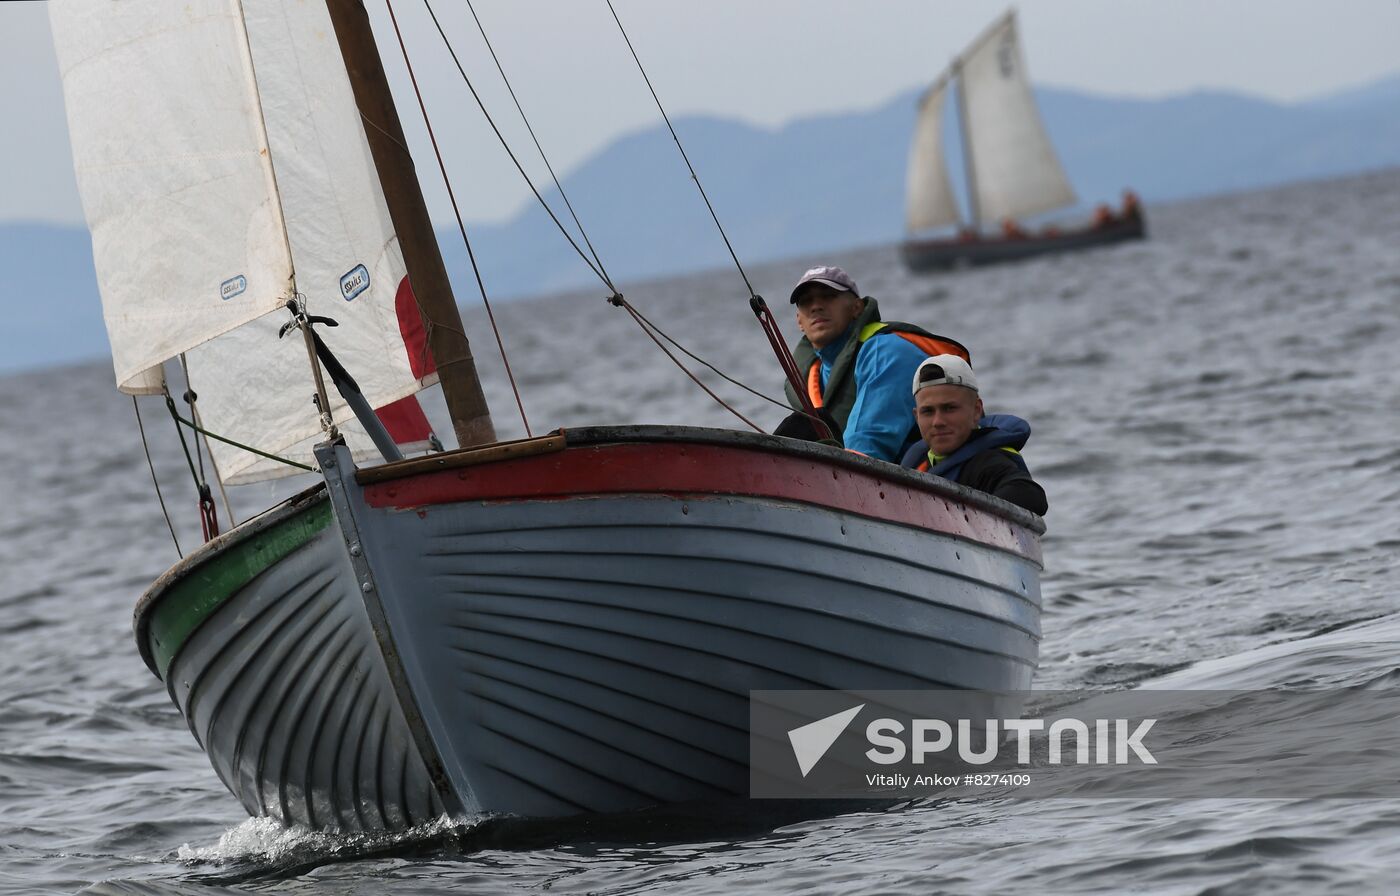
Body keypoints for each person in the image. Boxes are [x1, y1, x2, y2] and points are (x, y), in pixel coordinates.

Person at [776, 265, 969, 464]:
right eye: (806, 301)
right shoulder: (810, 375)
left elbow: (868, 446)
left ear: (856, 308)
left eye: (828, 296)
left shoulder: (887, 351)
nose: (816, 306)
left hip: (925, 474)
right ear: (799, 321)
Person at [899, 355, 1047, 515]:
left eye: (949, 408)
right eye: (928, 411)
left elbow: (1030, 495)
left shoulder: (989, 464)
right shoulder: (917, 462)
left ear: (977, 410)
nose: (938, 422)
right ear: (916, 417)